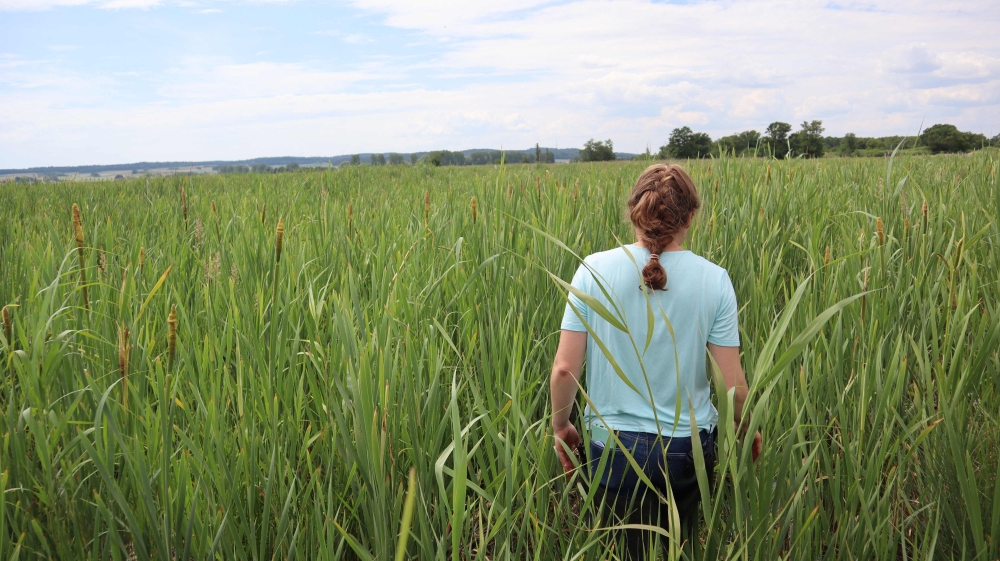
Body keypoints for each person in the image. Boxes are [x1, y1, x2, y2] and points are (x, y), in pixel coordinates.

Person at [549, 164, 761, 560]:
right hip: (687, 451)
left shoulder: (592, 269)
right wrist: (745, 425)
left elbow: (564, 370)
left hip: (610, 447)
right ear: (692, 216)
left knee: (621, 550)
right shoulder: (715, 280)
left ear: (634, 210)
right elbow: (732, 386)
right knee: (676, 549)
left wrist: (561, 425)